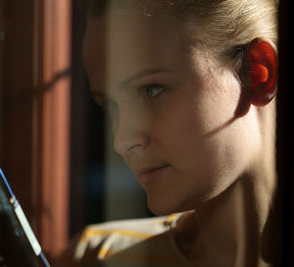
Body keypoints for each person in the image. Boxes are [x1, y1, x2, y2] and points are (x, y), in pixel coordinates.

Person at [56, 0, 279, 266]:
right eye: (111, 105)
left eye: (151, 90)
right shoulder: (98, 258)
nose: (121, 141)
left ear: (258, 73)